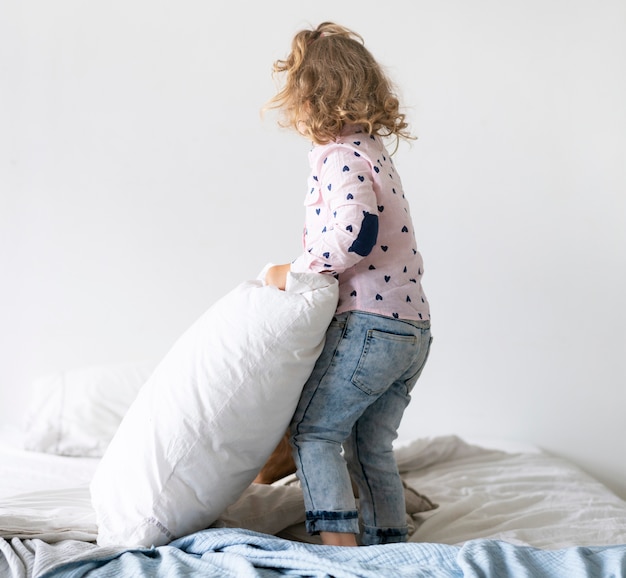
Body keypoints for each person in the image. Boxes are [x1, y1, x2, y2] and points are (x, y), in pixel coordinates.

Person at [264, 21, 432, 547]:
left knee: (314, 433)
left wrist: (295, 272)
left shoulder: (339, 157)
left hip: (370, 327)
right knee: (371, 446)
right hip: (413, 330)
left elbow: (355, 234)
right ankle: (388, 545)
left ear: (310, 99)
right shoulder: (374, 151)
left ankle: (341, 553)